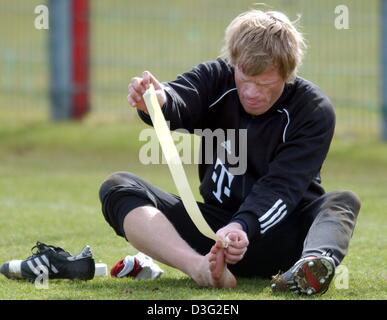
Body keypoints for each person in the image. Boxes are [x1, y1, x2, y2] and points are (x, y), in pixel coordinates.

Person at [99, 9, 361, 294]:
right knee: (118, 187)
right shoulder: (217, 77)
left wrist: (242, 226)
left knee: (341, 201)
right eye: (245, 78)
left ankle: (311, 266)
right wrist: (157, 100)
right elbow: (180, 98)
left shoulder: (312, 110)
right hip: (214, 236)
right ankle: (200, 268)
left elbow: (281, 188)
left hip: (285, 239)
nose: (250, 92)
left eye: (263, 84)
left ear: (287, 74)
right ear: (234, 62)